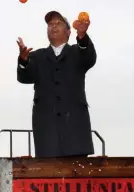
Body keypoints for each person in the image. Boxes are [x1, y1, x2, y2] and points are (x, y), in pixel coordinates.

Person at [17, 10, 97, 158]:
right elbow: (24, 78)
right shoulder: (36, 56)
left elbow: (89, 58)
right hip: (47, 132)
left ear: (68, 31)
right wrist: (23, 61)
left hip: (76, 132)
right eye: (50, 24)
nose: (53, 26)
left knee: (77, 178)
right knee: (47, 176)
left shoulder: (77, 52)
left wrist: (82, 36)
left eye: (58, 23)